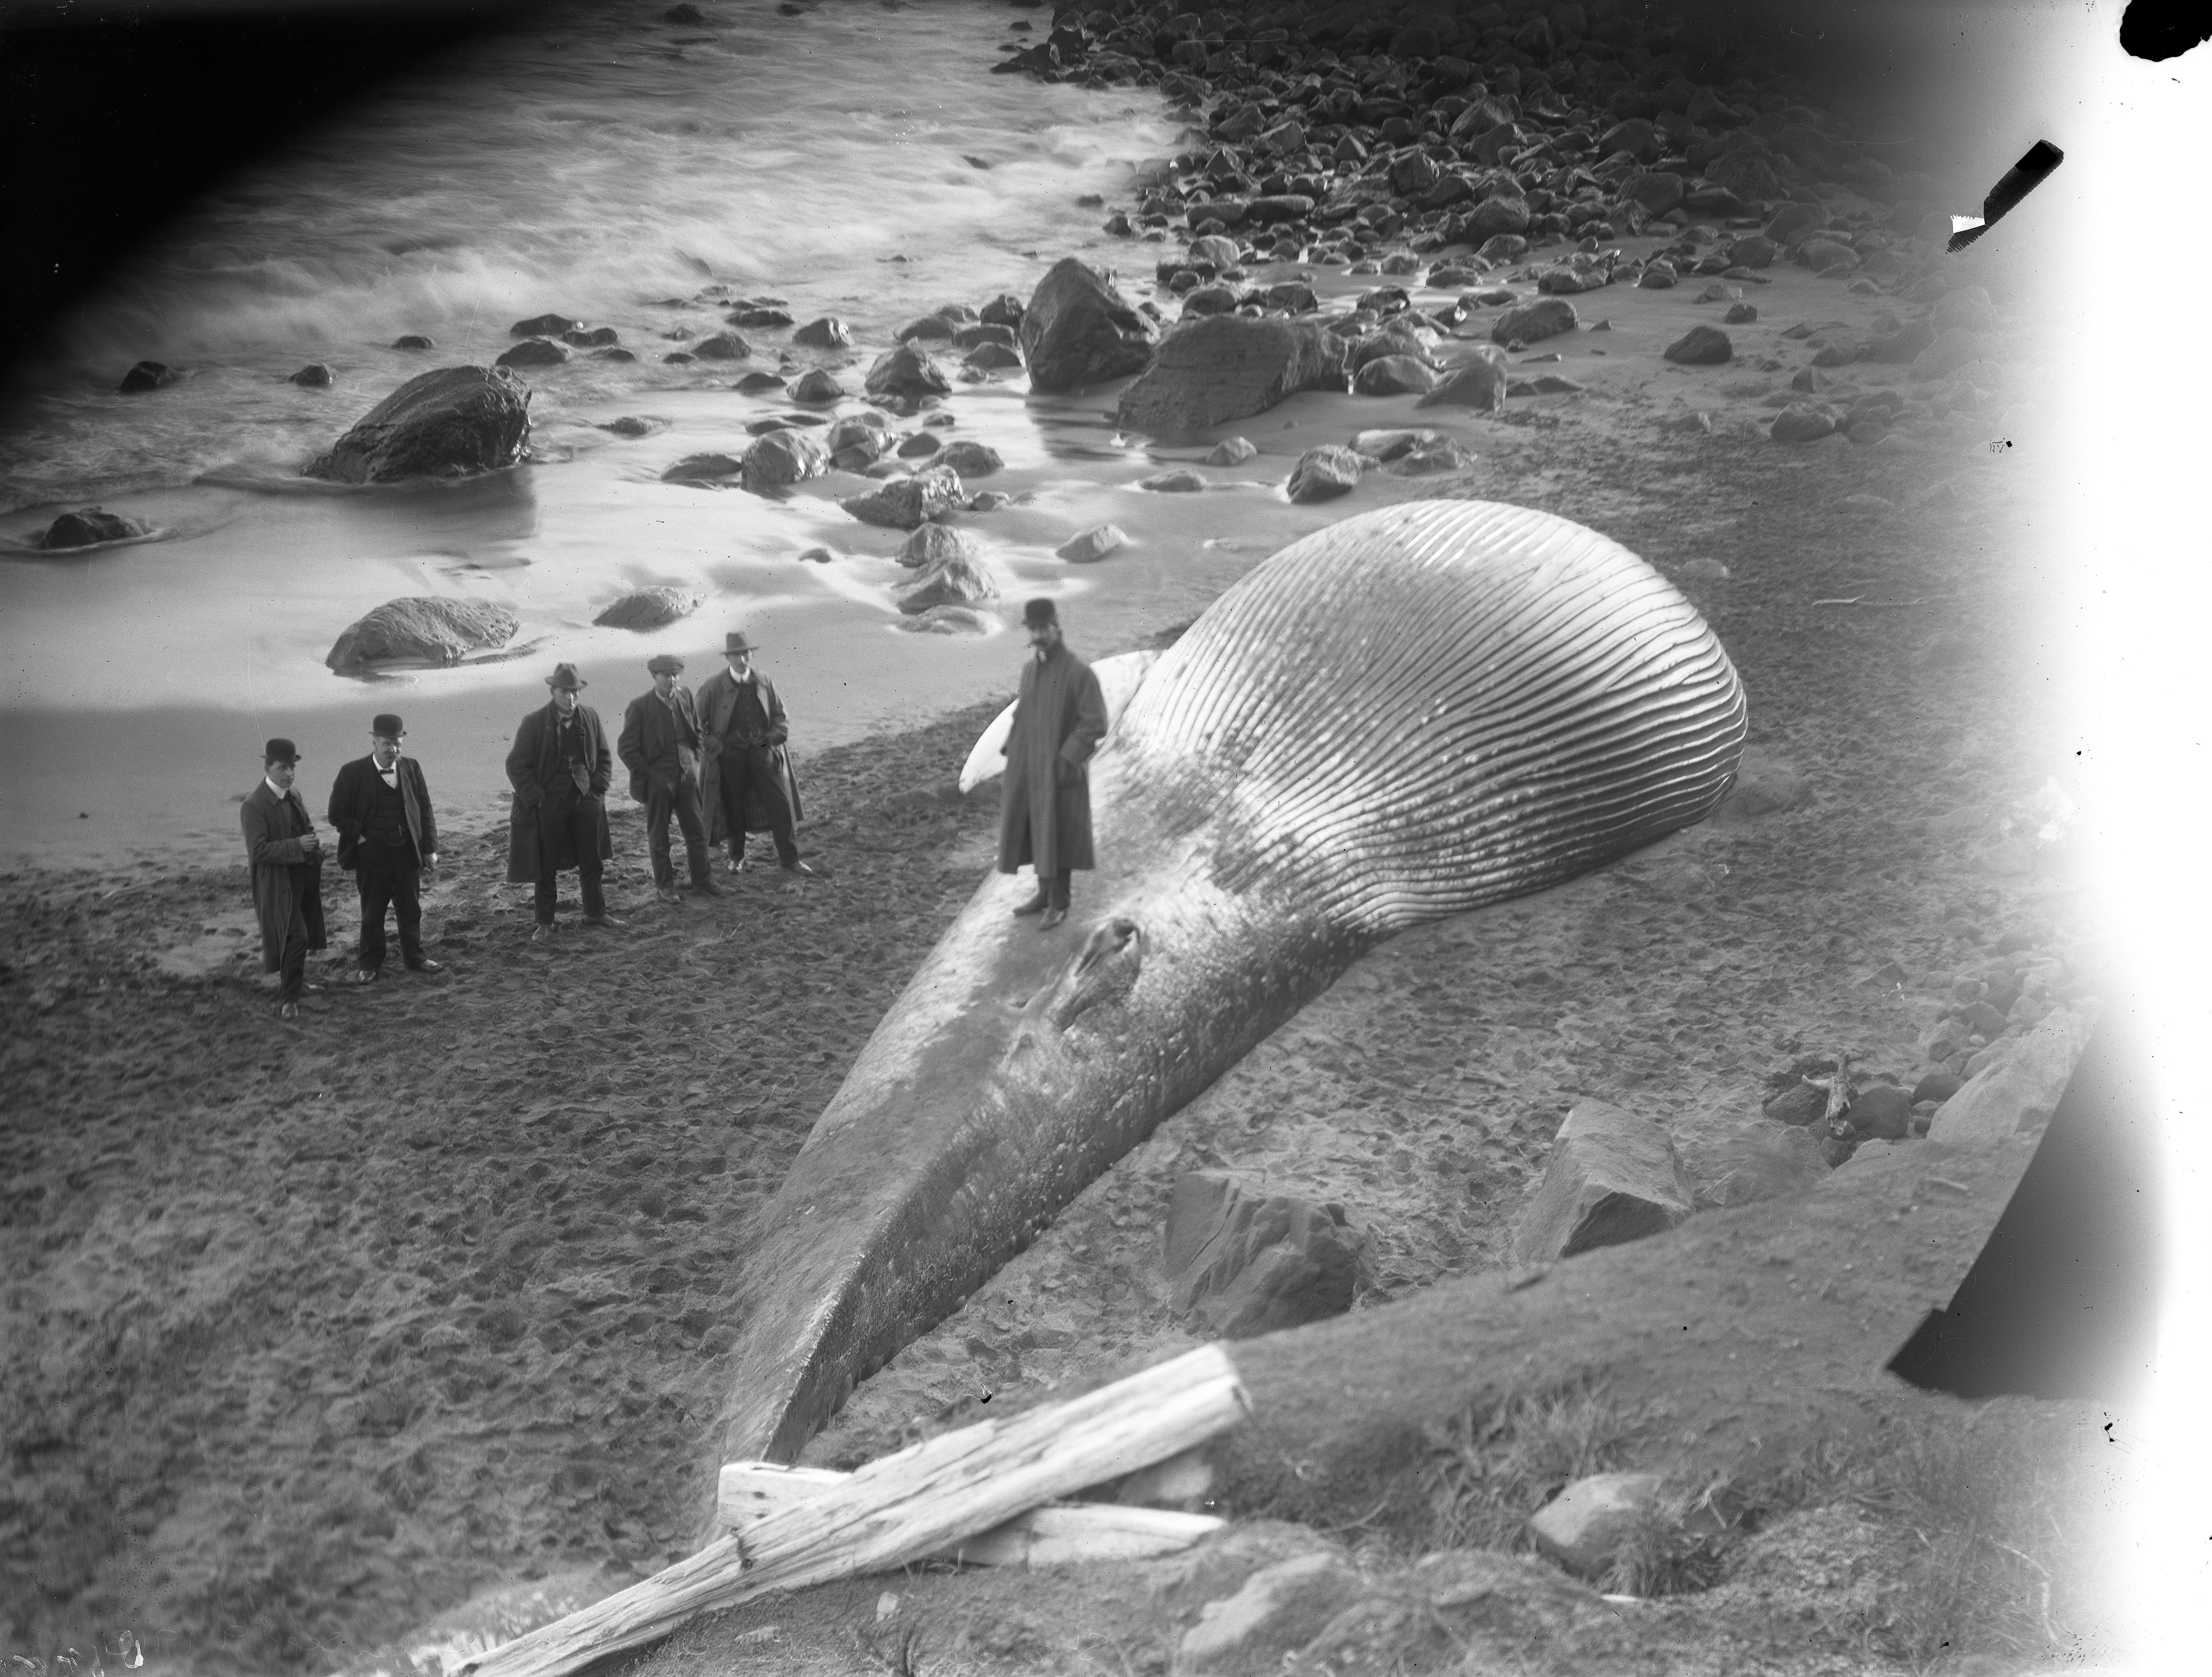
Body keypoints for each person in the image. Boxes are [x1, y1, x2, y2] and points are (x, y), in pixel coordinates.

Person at [997, 598, 1107, 931]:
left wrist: (1067, 759)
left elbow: (1095, 724)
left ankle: (1060, 903)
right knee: (1035, 830)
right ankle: (1043, 895)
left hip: (1060, 771)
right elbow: (1023, 711)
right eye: (1033, 629)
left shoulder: (1079, 672)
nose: (1038, 635)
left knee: (1058, 834)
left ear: (1057, 626)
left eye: (1043, 628)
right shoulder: (1030, 670)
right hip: (1028, 764)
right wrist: (1011, 749)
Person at [505, 663, 623, 940]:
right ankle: (545, 923)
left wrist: (598, 791)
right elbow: (516, 766)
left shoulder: (590, 718)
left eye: (575, 692)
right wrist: (539, 799)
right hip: (550, 805)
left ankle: (596, 913)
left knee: (592, 861)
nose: (570, 698)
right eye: (564, 692)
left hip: (587, 802)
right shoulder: (534, 723)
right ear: (552, 691)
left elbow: (605, 758)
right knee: (545, 867)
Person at [326, 712, 443, 981]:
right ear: (375, 742)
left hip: (406, 853)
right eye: (387, 744)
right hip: (372, 857)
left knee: (411, 909)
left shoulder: (412, 768)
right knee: (372, 912)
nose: (394, 750)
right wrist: (362, 838)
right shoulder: (352, 773)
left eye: (398, 743)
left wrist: (430, 848)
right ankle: (370, 964)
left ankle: (415, 957)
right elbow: (337, 814)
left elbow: (425, 809)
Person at [696, 629, 812, 877]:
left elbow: (780, 715)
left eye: (746, 654)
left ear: (751, 655)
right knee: (733, 806)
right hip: (730, 756)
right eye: (736, 655)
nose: (742, 660)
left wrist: (771, 740)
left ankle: (790, 859)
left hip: (762, 752)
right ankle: (736, 858)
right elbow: (696, 724)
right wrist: (717, 747)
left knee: (781, 804)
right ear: (728, 658)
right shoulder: (713, 686)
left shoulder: (764, 680)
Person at [617, 653, 720, 904]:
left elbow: (696, 727)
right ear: (654, 677)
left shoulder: (685, 696)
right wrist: (650, 774)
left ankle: (703, 880)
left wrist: (696, 755)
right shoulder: (640, 707)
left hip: (687, 777)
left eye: (675, 675)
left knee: (696, 831)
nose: (672, 680)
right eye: (666, 676)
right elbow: (626, 749)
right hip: (659, 782)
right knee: (660, 836)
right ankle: (665, 887)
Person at [240, 737, 328, 1021]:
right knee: (296, 937)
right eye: (283, 768)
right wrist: (298, 847)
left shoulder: (295, 795)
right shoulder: (254, 806)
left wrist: (314, 845)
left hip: (302, 877)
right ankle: (288, 999)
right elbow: (258, 852)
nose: (289, 774)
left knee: (301, 936)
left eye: (292, 767)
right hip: (277, 884)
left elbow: (307, 826)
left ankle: (296, 985)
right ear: (267, 767)